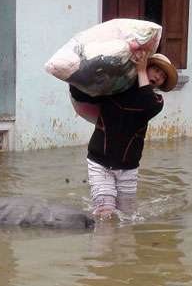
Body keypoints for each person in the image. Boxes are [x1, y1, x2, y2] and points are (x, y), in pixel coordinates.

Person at [69, 53, 178, 218]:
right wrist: (78, 73)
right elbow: (81, 95)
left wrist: (141, 72)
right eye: (156, 70)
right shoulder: (115, 89)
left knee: (127, 217)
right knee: (104, 214)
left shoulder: (156, 102)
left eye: (162, 76)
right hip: (100, 163)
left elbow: (145, 102)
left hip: (128, 168)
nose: (158, 76)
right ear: (146, 65)